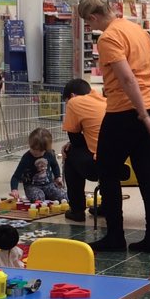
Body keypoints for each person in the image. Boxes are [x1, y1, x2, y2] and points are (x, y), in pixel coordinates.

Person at [77, 0, 150, 253]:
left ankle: (115, 237)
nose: (91, 27)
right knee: (147, 174)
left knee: (107, 170)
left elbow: (127, 79)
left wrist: (142, 114)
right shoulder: (138, 30)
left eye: (89, 23)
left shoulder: (109, 37)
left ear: (93, 16)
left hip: (126, 112)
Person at [61, 78, 107, 222]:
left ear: (73, 96)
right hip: (120, 161)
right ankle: (107, 205)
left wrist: (70, 145)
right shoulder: (104, 100)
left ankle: (77, 210)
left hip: (97, 164)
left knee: (69, 154)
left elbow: (75, 140)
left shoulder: (75, 102)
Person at [9, 128, 66, 202]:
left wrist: (58, 177)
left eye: (40, 151)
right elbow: (16, 177)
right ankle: (44, 197)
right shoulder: (26, 158)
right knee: (38, 198)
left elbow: (54, 166)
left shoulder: (50, 154)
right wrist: (14, 190)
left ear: (46, 149)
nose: (35, 153)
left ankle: (48, 196)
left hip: (48, 184)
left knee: (63, 196)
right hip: (32, 186)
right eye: (33, 149)